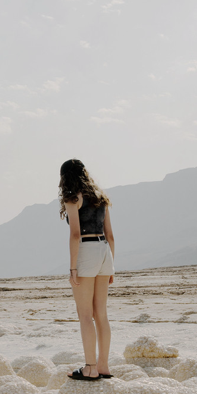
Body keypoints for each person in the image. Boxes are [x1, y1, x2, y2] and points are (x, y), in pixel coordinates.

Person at [59, 159, 116, 381]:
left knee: (85, 315)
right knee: (101, 314)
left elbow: (75, 235)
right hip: (104, 251)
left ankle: (90, 368)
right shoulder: (101, 197)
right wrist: (111, 266)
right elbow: (110, 234)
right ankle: (104, 366)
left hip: (87, 250)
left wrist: (73, 266)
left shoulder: (73, 198)